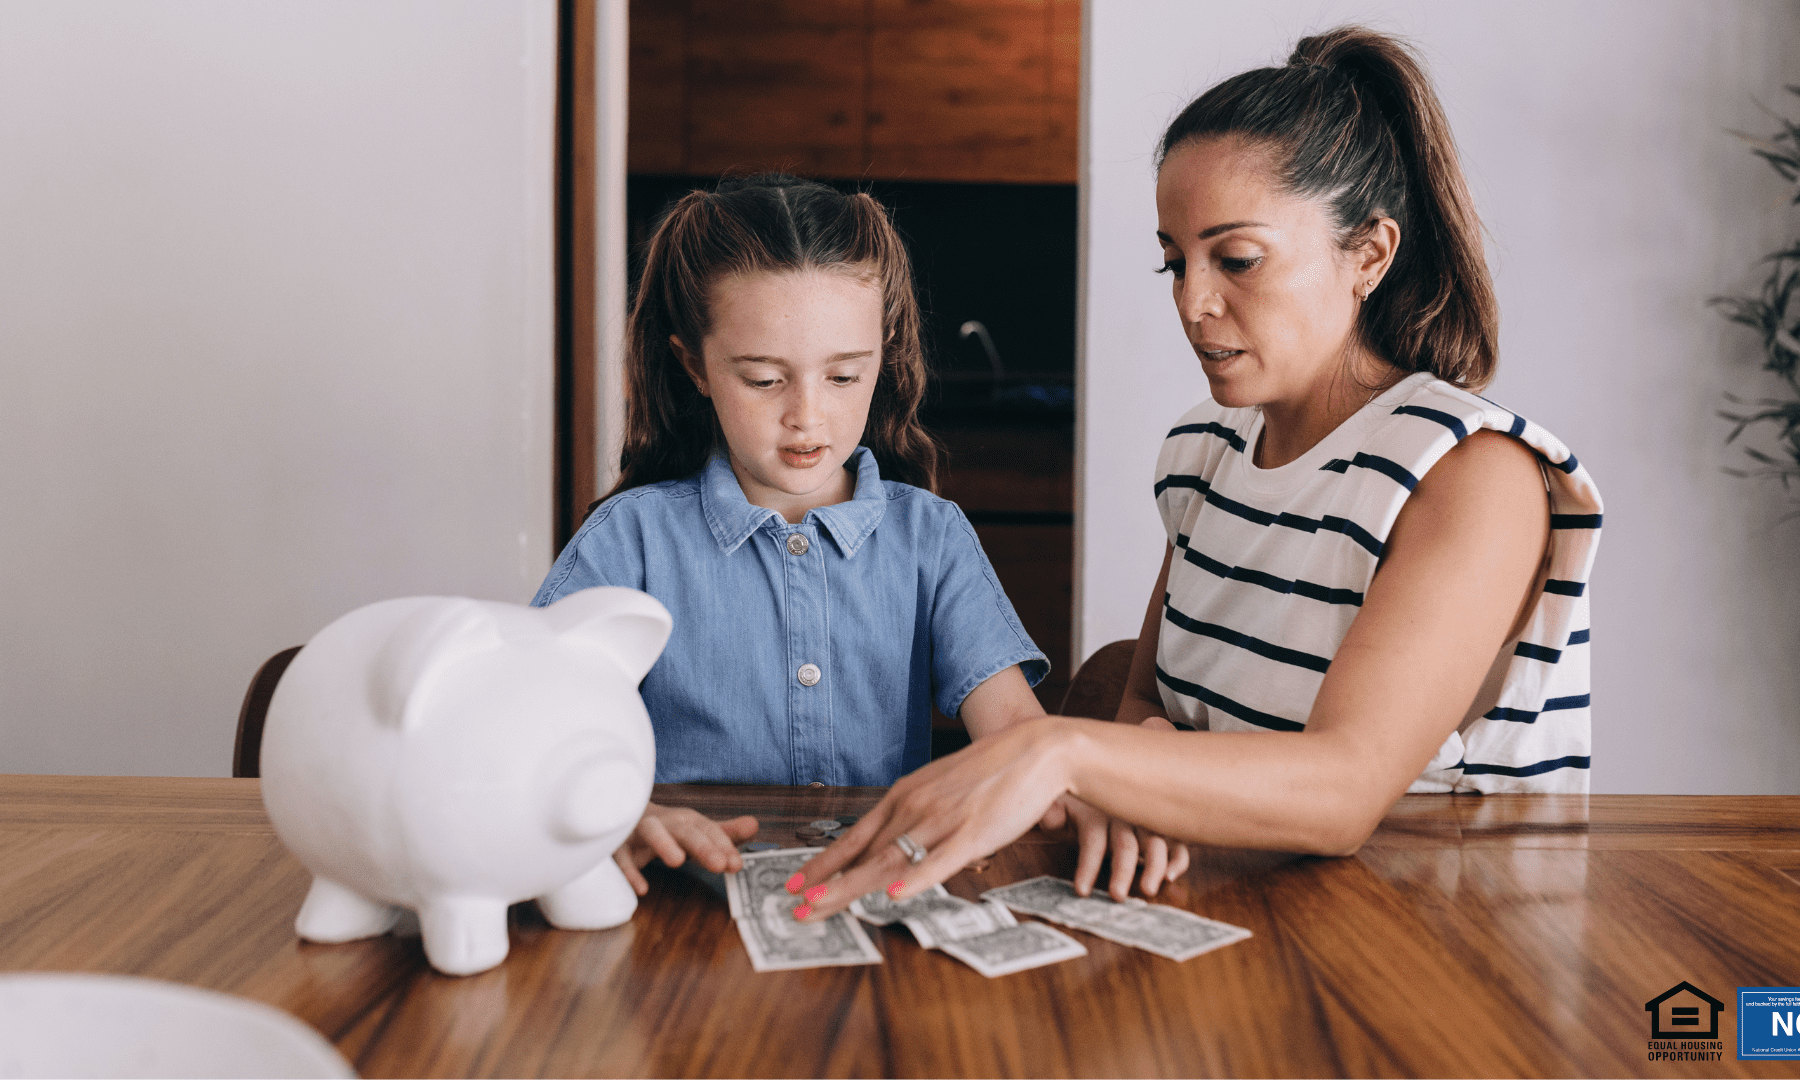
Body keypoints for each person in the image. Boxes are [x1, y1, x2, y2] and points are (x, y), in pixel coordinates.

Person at [791, 26, 1603, 920]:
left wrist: (1059, 752)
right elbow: (1151, 697)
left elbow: (1342, 792)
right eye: (1175, 261)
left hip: (1433, 946)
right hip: (1250, 914)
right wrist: (1125, 770)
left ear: (1369, 254)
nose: (1193, 302)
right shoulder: (1205, 451)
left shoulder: (1470, 471)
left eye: (1238, 259)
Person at [532, 174, 1062, 893]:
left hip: (869, 895)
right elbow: (527, 723)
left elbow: (1019, 742)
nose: (807, 418)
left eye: (844, 377)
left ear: (885, 356)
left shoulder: (930, 537)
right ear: (695, 365)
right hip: (671, 907)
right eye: (762, 380)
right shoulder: (632, 538)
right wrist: (622, 813)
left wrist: (1074, 792)